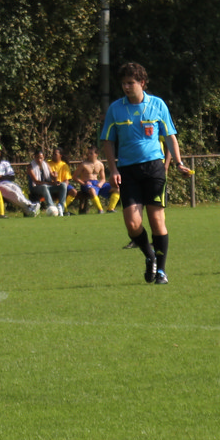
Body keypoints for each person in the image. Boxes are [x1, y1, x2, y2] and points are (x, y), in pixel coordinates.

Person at [101, 62, 193, 284]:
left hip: (154, 168)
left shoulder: (158, 105)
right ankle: (150, 256)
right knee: (132, 224)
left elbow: (170, 136)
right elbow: (107, 141)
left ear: (142, 83)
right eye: (123, 83)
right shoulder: (116, 109)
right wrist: (113, 169)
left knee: (156, 220)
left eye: (130, 83)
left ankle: (161, 271)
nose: (126, 87)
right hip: (128, 171)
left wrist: (178, 163)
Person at [0, 143, 40, 216]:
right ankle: (30, 205)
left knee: (17, 189)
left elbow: (12, 176)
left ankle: (28, 210)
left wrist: (2, 177)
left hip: (7, 182)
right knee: (12, 193)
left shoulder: (5, 163)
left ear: (0, 153)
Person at [72, 147, 116, 214]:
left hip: (97, 183)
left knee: (116, 188)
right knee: (92, 190)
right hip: (87, 184)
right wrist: (83, 183)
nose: (89, 155)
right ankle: (100, 210)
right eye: (88, 153)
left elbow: (103, 179)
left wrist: (101, 183)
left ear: (96, 154)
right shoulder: (83, 164)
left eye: (91, 153)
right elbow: (75, 177)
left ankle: (110, 209)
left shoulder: (100, 164)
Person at [27, 148, 66, 215]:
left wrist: (55, 177)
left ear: (43, 157)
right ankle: (52, 207)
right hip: (36, 188)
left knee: (63, 185)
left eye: (41, 158)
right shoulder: (30, 167)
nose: (39, 160)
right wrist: (51, 183)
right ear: (34, 157)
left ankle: (61, 209)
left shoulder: (46, 165)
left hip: (48, 186)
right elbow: (36, 182)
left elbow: (52, 176)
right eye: (37, 158)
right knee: (44, 186)